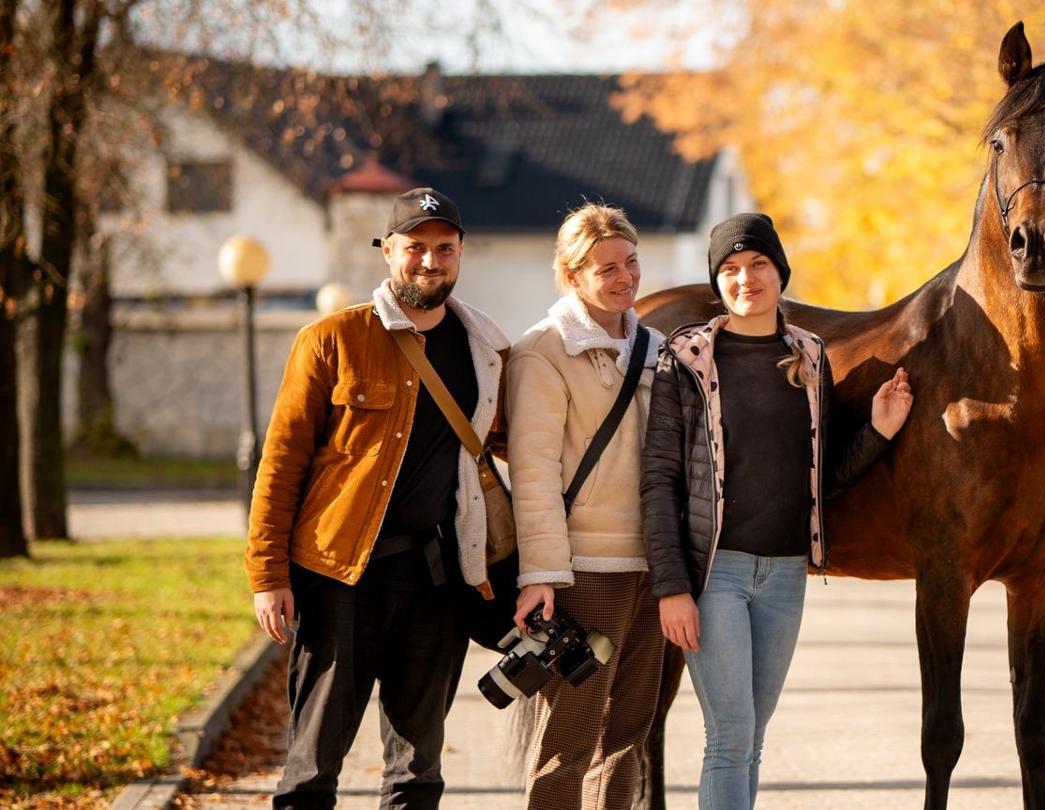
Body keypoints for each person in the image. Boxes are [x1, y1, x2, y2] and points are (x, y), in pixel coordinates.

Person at [245, 187, 510, 808]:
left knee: (416, 773)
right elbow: (280, 463)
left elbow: (518, 454)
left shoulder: (487, 349)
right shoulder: (330, 340)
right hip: (338, 578)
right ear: (387, 251)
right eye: (415, 247)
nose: (430, 261)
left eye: (444, 249)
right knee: (312, 770)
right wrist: (267, 575)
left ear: (461, 253)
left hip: (438, 581)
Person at [641, 213, 913, 809]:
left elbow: (824, 476)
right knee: (731, 736)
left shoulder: (809, 356)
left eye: (758, 264)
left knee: (751, 738)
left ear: (779, 272)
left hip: (785, 576)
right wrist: (671, 588)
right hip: (716, 575)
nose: (746, 280)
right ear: (718, 283)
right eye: (731, 270)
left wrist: (879, 431)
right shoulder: (686, 358)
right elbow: (659, 480)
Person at [506, 203, 668, 808]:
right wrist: (543, 574)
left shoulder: (654, 348)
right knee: (569, 740)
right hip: (585, 573)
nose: (625, 278)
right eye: (607, 269)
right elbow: (535, 472)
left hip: (651, 571)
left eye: (631, 263)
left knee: (629, 738)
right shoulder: (543, 351)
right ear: (572, 277)